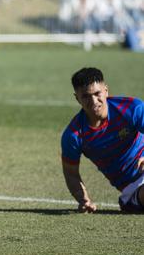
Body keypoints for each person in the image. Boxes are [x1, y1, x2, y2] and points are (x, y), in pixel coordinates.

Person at [61, 67, 144, 213]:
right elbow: (70, 173)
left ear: (106, 90)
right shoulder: (73, 136)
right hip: (134, 189)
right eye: (86, 96)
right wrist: (83, 199)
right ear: (77, 98)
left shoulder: (131, 108)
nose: (93, 101)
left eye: (97, 93)